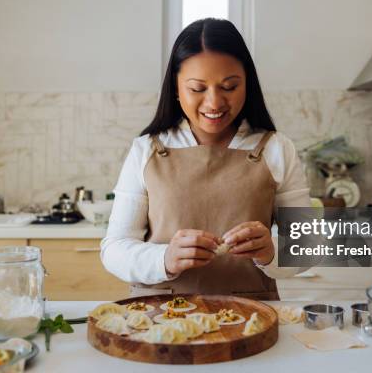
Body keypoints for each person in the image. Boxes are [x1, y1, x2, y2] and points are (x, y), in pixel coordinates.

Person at [100, 18, 310, 300]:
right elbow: (113, 249)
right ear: (176, 88)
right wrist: (165, 258)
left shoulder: (276, 148)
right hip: (159, 322)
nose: (214, 103)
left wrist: (272, 251)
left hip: (252, 319)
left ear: (247, 83)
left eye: (229, 87)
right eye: (198, 89)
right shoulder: (146, 150)